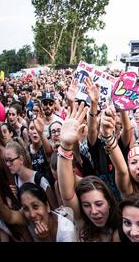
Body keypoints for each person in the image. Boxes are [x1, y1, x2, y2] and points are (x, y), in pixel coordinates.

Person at [57, 102, 120, 241]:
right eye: (86, 205)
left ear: (109, 202)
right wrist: (66, 146)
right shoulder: (83, 222)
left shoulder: (123, 227)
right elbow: (67, 194)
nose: (94, 212)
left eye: (99, 204)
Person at [0, 183, 77, 242]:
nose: (32, 214)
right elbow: (10, 217)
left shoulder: (67, 231)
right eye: (25, 208)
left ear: (47, 206)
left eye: (35, 206)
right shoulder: (27, 216)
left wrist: (44, 239)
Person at [4, 138, 57, 210]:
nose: (7, 164)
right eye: (6, 160)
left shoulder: (39, 180)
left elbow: (55, 208)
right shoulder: (16, 179)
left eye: (10, 160)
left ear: (21, 159)